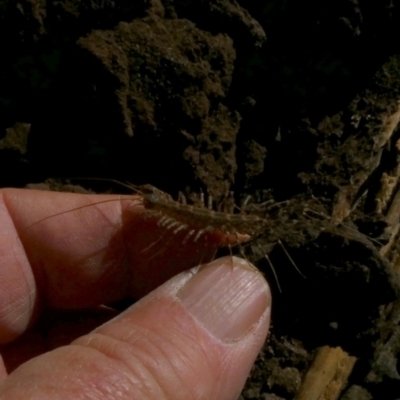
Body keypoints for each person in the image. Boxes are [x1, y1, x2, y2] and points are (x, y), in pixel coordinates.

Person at [0, 188, 271, 399]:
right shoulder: (175, 215)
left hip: (229, 224)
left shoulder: (177, 216)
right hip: (222, 225)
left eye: (151, 202)